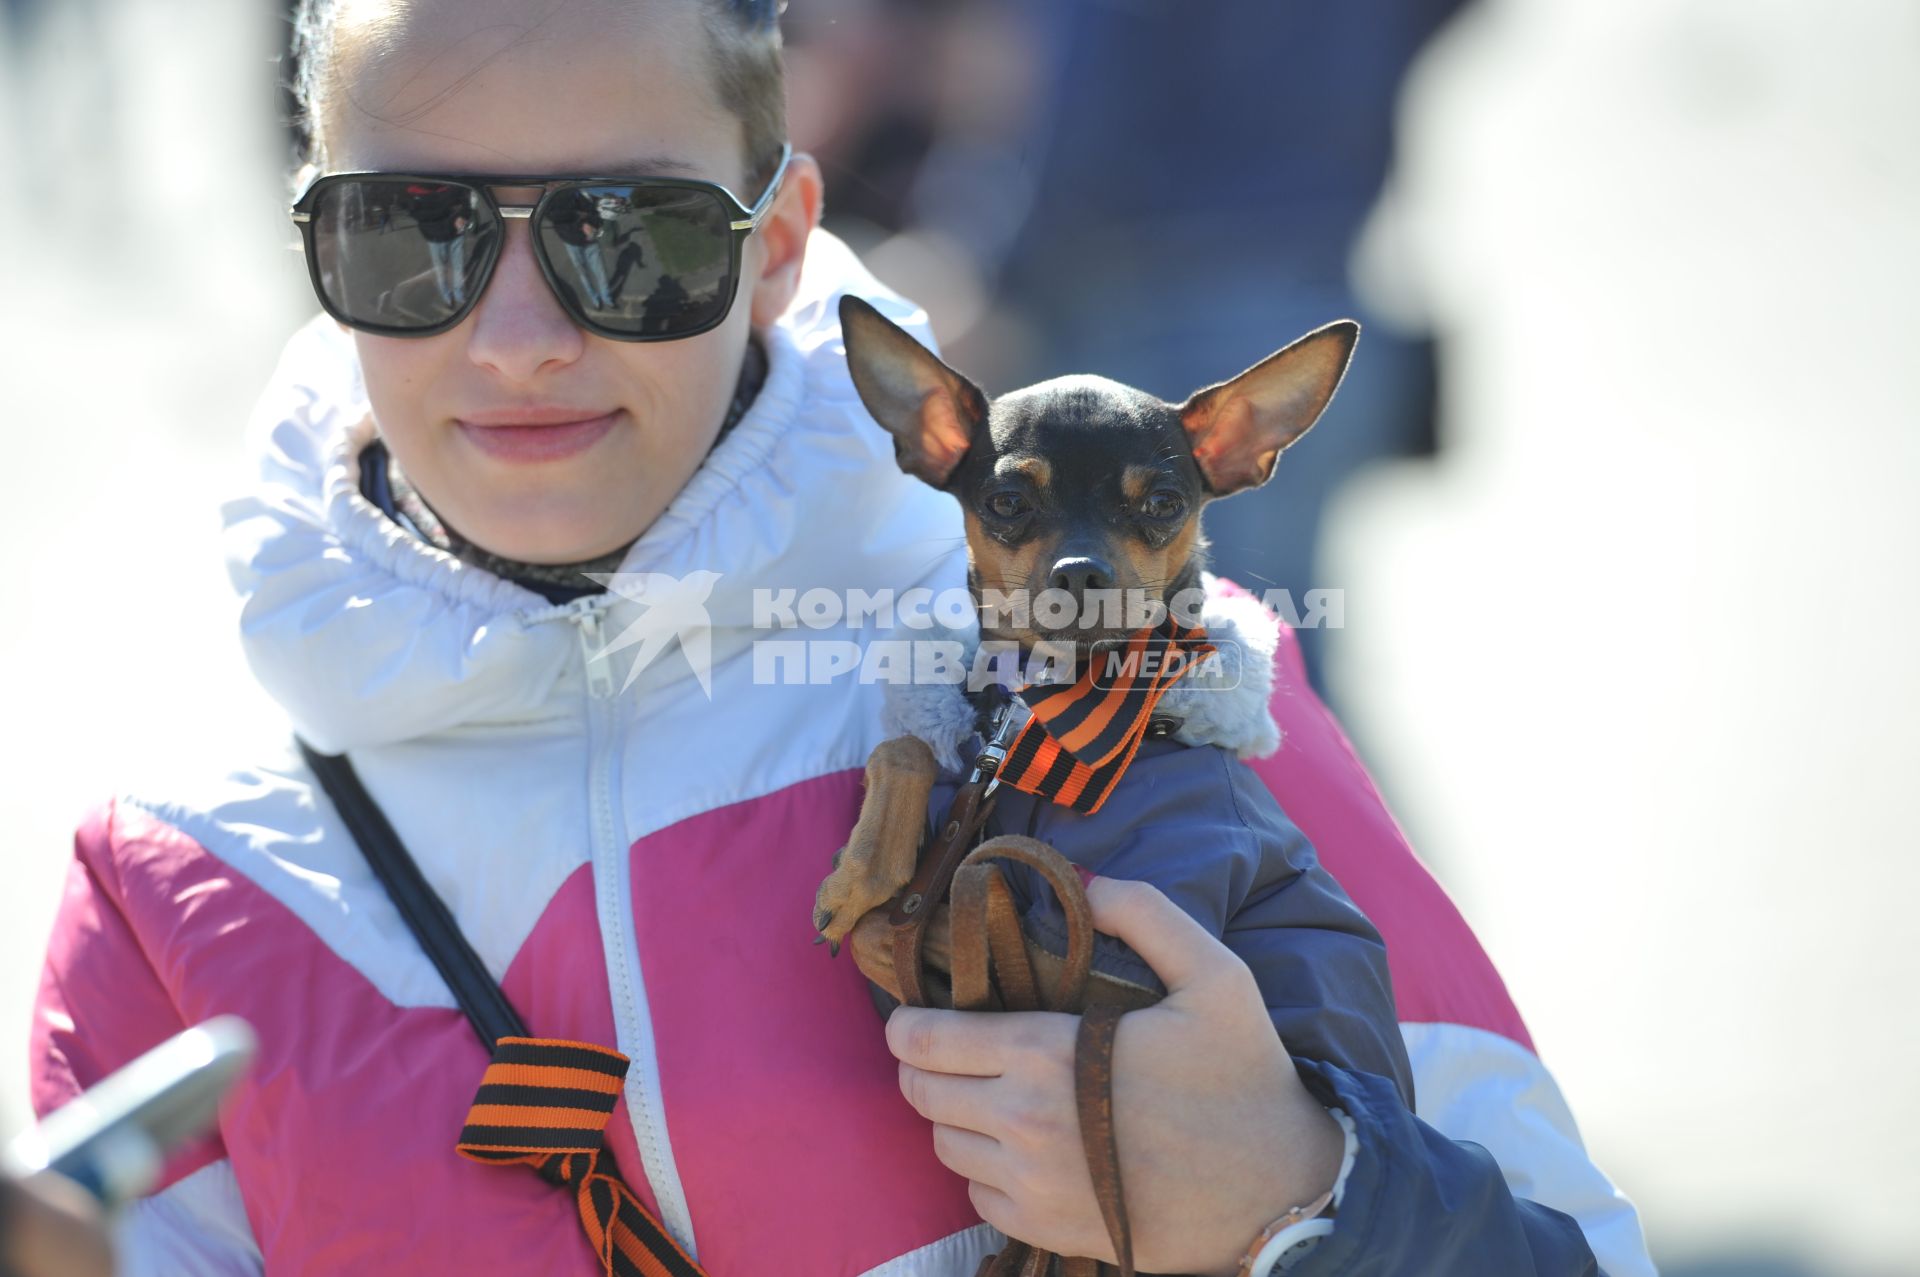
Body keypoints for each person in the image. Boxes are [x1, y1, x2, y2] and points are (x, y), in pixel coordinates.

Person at [26, 1, 1655, 1274]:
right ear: (318, 250)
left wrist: (1313, 1196)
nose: (517, 338)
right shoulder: (177, 882)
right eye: (408, 234)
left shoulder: (1165, 690)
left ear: (779, 243)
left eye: (636, 236)